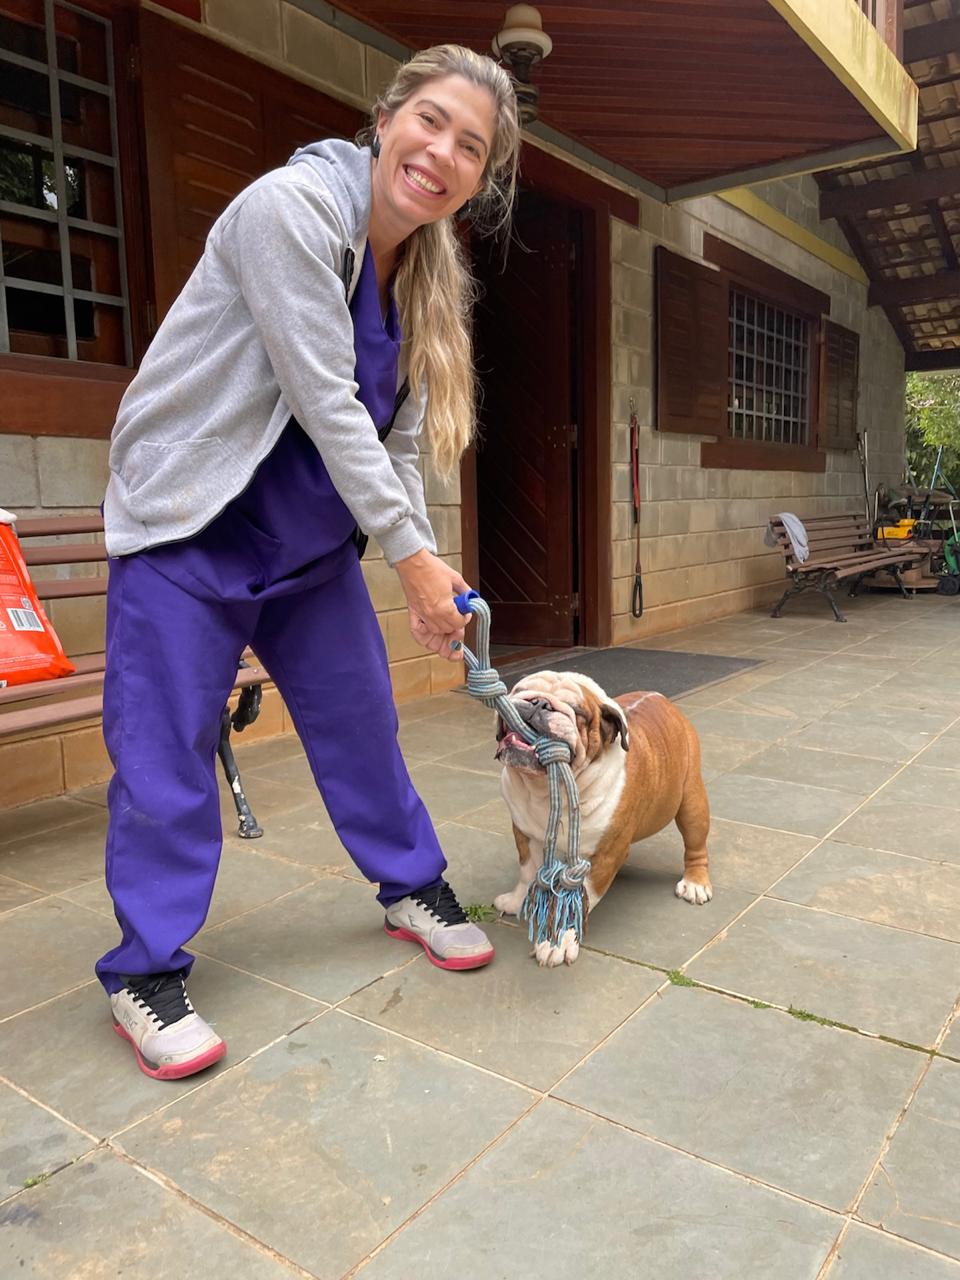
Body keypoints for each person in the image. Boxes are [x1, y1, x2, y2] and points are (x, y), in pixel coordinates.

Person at [97, 44, 521, 1080]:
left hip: (309, 547)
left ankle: (412, 884)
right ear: (387, 119)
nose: (442, 152)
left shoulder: (424, 272)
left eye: (471, 147)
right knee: (165, 760)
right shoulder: (291, 208)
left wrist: (428, 566)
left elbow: (402, 444)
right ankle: (144, 970)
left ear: (479, 179)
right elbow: (328, 401)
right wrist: (414, 565)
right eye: (431, 121)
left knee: (362, 726)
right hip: (187, 527)